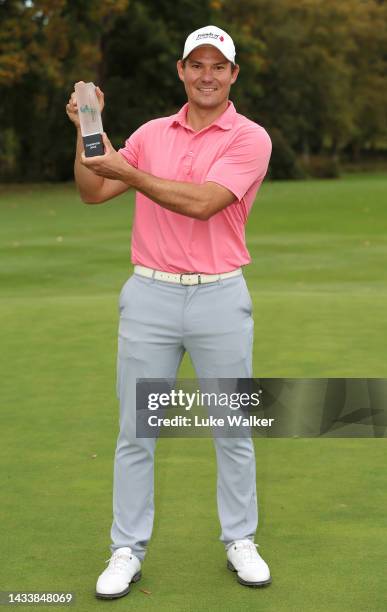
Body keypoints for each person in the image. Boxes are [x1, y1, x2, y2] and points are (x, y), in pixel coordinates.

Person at [66, 25, 272, 600]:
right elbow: (92, 191)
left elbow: (205, 204)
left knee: (232, 428)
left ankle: (241, 539)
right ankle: (126, 548)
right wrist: (88, 129)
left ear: (233, 75)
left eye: (218, 67)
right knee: (138, 431)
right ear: (182, 71)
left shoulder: (250, 138)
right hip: (150, 296)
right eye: (196, 65)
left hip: (220, 296)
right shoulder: (153, 134)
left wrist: (127, 171)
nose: (207, 76)